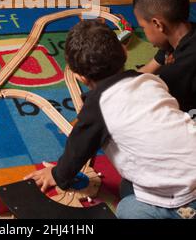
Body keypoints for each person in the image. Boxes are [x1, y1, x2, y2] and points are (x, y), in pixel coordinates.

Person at [25, 20, 196, 219]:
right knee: (127, 186)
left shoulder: (99, 106)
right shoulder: (151, 81)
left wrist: (57, 175)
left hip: (186, 196)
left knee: (127, 210)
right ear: (125, 52)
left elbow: (77, 149)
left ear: (80, 77)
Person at [133, 0, 196, 112]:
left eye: (143, 27)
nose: (144, 32)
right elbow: (146, 70)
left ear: (157, 24)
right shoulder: (178, 38)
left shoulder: (175, 74)